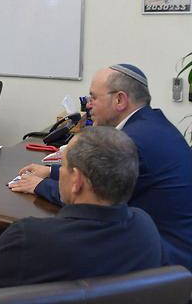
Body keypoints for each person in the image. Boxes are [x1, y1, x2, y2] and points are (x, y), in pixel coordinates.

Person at [0, 127, 163, 304]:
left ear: (77, 182)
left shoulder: (31, 236)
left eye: (64, 166)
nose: (57, 171)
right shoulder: (145, 227)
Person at [11, 64, 192, 270]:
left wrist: (39, 185)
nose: (88, 105)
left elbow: (92, 197)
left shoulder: (131, 141)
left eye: (93, 98)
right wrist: (52, 172)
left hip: (166, 260)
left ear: (120, 100)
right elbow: (100, 176)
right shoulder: (152, 124)